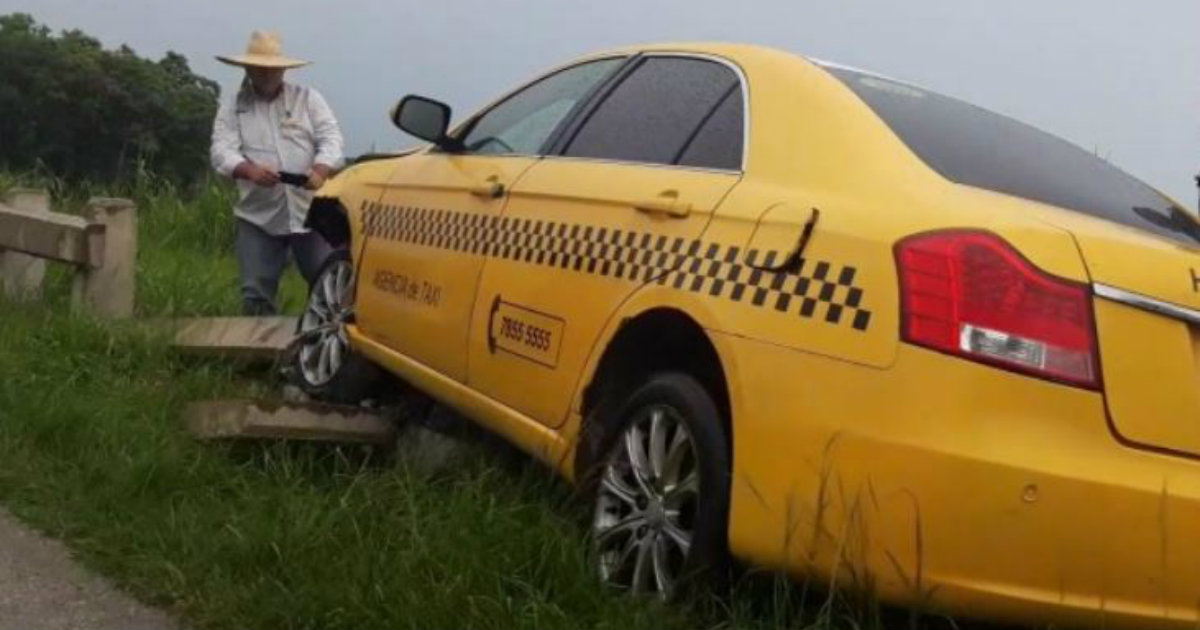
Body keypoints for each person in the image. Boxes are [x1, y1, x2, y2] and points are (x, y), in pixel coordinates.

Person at [210, 30, 344, 315]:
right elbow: (221, 151)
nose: (267, 75)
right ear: (247, 69)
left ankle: (320, 349)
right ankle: (259, 352)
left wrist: (320, 171)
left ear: (284, 69)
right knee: (255, 293)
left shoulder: (308, 99)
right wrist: (249, 171)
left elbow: (331, 139)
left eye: (273, 69)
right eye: (260, 69)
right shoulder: (233, 105)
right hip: (258, 214)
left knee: (329, 286)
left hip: (312, 212)